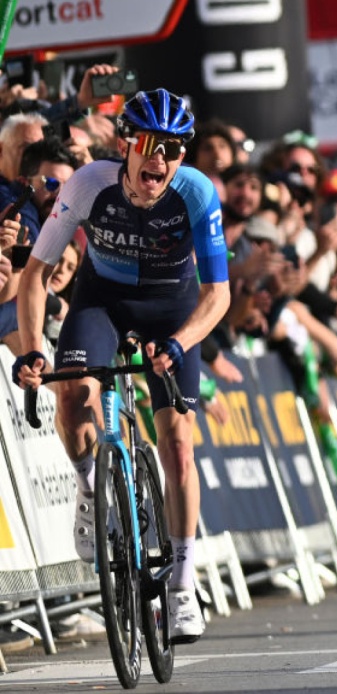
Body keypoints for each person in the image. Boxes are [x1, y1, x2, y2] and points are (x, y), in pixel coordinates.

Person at [12, 88, 230, 644]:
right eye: (149, 145)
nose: (160, 159)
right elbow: (36, 274)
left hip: (172, 306)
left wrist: (179, 343)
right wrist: (33, 348)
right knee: (71, 396)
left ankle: (182, 586)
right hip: (102, 299)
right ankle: (91, 490)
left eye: (173, 149)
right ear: (126, 146)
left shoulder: (197, 193)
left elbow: (218, 295)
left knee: (177, 446)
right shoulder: (89, 184)